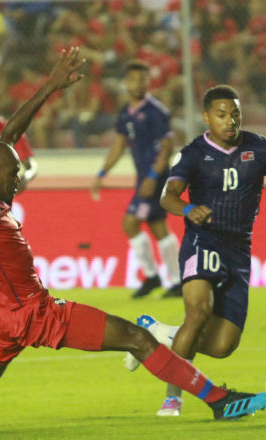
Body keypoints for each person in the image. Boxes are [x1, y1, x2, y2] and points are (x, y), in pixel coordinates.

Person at [0, 48, 266, 424]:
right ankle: (218, 401)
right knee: (137, 339)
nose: (18, 182)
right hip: (36, 312)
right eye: (13, 176)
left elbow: (8, 136)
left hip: (2, 314)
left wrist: (49, 86)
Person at [133, 85, 266, 417]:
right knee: (199, 312)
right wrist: (188, 210)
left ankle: (160, 335)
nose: (230, 121)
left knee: (222, 346)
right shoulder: (192, 154)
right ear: (206, 117)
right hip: (203, 240)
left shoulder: (259, 149)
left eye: (235, 114)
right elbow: (166, 196)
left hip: (238, 250)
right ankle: (173, 395)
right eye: (221, 114)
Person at [90, 61, 182, 300]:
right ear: (126, 83)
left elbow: (168, 146)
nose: (137, 84)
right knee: (158, 226)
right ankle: (178, 280)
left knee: (130, 222)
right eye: (133, 79)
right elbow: (120, 144)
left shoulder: (155, 111)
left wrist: (153, 176)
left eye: (142, 79)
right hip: (145, 176)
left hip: (156, 175)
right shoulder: (125, 113)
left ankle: (153, 276)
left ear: (147, 82)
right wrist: (102, 173)